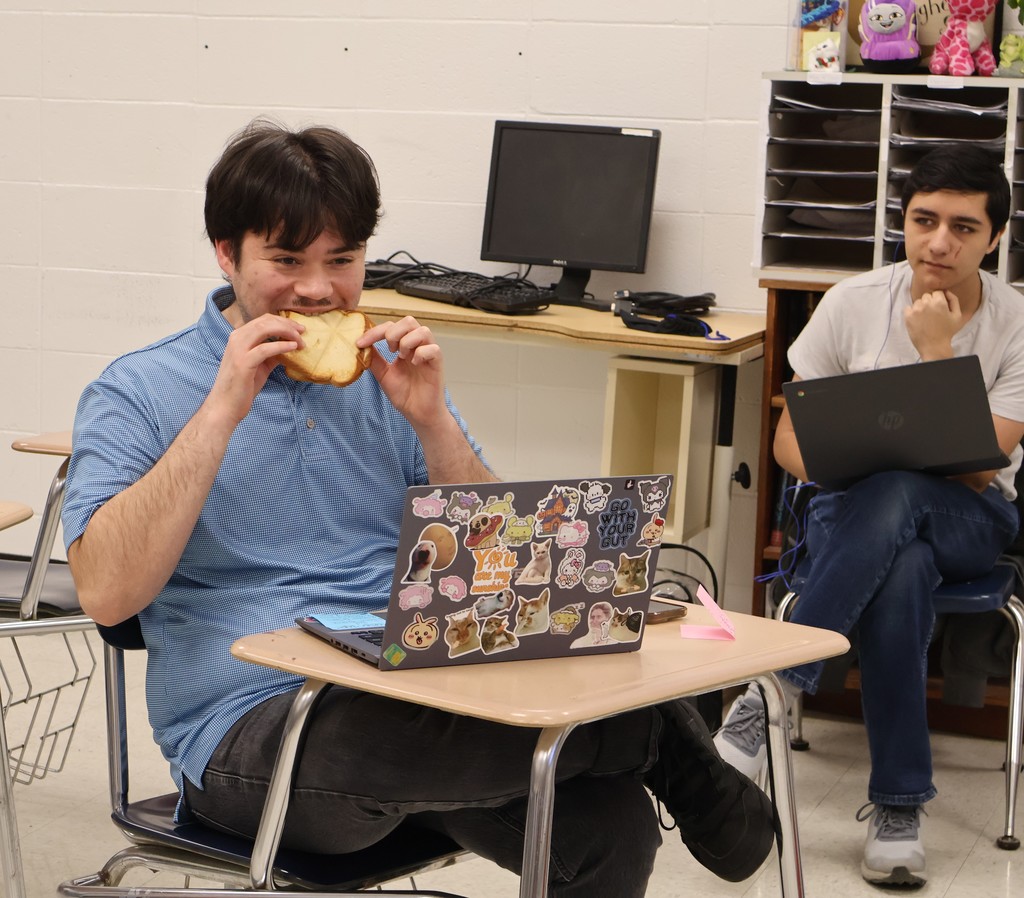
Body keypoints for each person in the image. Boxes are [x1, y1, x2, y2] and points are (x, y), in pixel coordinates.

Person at [61, 119, 774, 896]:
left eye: (342, 261)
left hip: (409, 687)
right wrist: (221, 412)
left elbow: (502, 567)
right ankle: (659, 734)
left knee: (609, 824)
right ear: (227, 254)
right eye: (286, 259)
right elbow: (107, 592)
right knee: (392, 731)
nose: (317, 289)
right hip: (253, 732)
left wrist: (432, 422)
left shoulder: (384, 378)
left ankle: (638, 735)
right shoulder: (136, 391)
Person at [714, 144, 1024, 888]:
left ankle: (775, 686)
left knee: (901, 493)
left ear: (993, 239)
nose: (938, 242)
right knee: (899, 562)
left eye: (961, 227)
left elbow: (983, 465)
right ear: (904, 223)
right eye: (923, 221)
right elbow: (790, 433)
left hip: (972, 521)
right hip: (855, 516)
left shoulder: (1015, 321)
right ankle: (898, 812)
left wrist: (936, 351)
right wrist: (832, 458)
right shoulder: (853, 302)